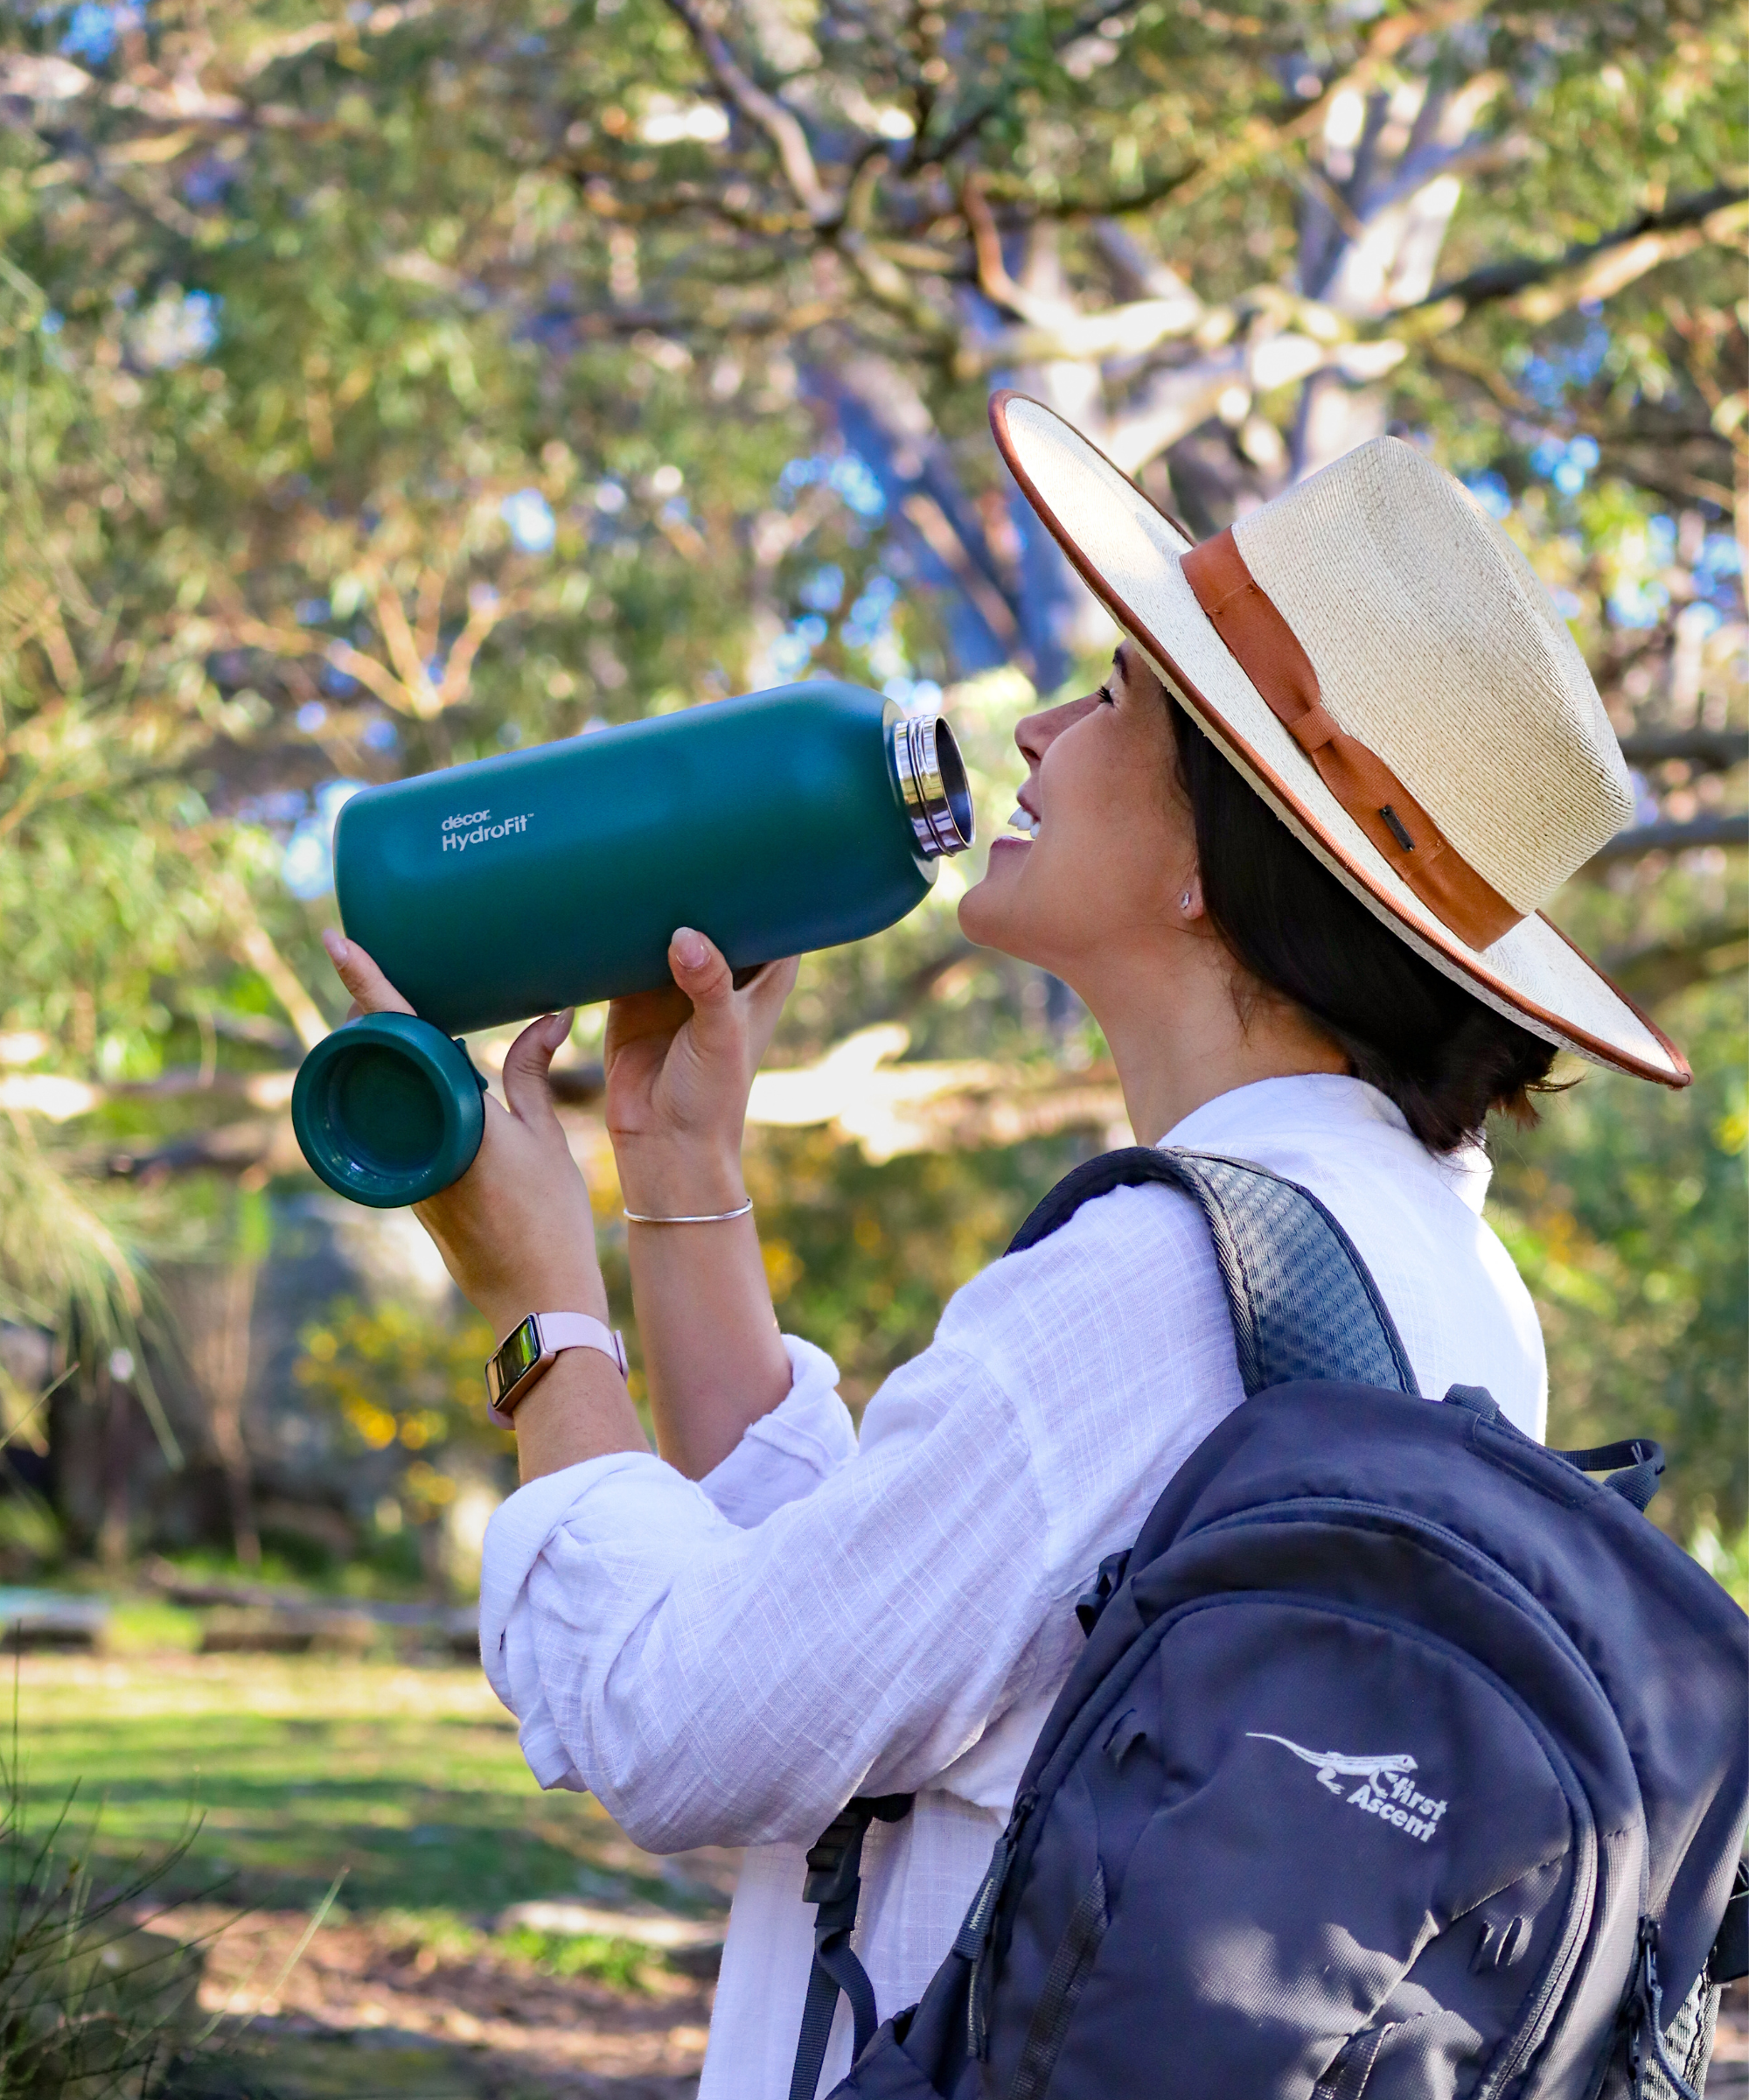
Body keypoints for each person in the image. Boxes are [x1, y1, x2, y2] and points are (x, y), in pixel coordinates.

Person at [320, 399, 1686, 2098]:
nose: (1035, 730)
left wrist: (543, 1319)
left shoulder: (1156, 1288)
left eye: (1112, 699)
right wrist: (680, 1182)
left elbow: (685, 1727)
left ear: (1219, 852)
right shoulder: (1421, 1262)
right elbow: (892, 1631)